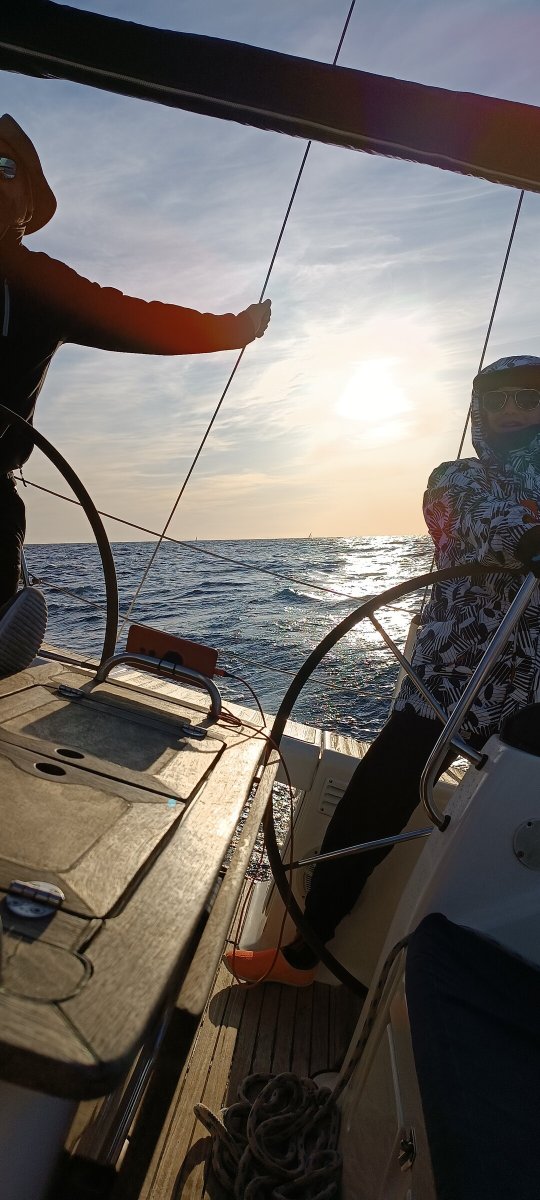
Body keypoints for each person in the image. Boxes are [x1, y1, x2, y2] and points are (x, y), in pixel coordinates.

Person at [225, 353, 540, 986]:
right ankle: (304, 953)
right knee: (371, 805)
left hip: (531, 692)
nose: (512, 411)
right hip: (447, 680)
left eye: (528, 399)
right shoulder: (454, 479)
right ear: (478, 411)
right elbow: (475, 528)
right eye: (498, 399)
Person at [0, 113, 271, 667]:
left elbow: (134, 318)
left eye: (5, 167)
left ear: (28, 204)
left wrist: (231, 329)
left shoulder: (43, 286)